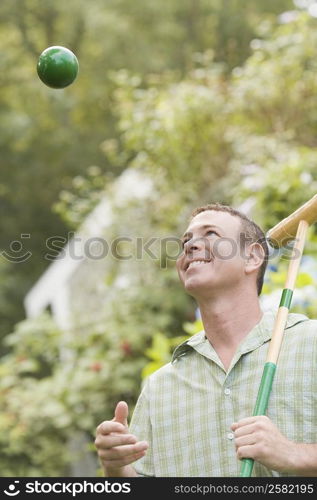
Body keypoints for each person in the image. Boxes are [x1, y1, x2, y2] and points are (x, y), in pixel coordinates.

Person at [94, 203, 317, 477]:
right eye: (186, 240)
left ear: (252, 257)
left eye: (211, 234)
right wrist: (116, 468)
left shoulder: (311, 342)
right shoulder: (160, 389)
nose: (190, 246)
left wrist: (295, 453)